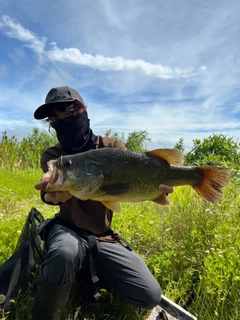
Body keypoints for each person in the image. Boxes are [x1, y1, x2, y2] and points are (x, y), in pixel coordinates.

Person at [32, 86, 173, 320]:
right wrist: (49, 196)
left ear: (82, 111)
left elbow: (134, 180)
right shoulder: (54, 158)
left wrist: (158, 188)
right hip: (67, 229)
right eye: (55, 120)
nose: (61, 123)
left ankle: (86, 272)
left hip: (103, 236)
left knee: (149, 295)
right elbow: (48, 188)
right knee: (66, 252)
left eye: (67, 115)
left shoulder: (112, 148)